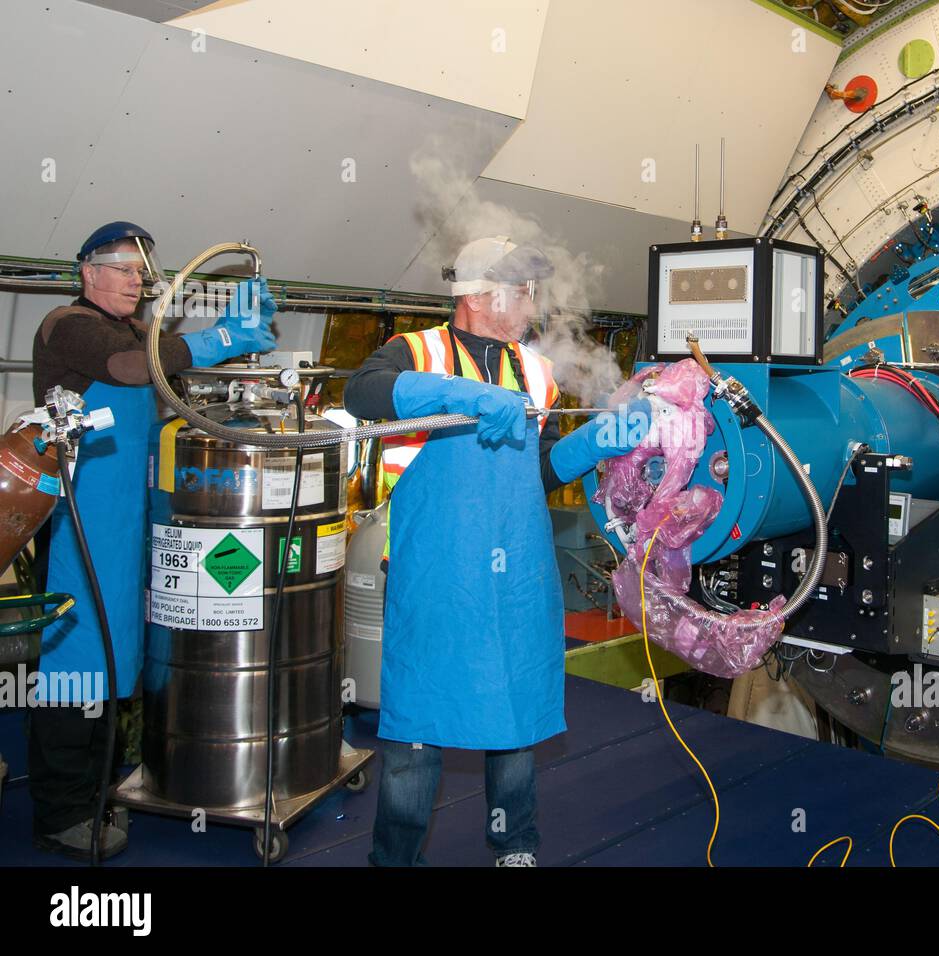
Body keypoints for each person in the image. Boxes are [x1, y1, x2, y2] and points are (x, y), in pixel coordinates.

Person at [344, 235, 647, 866]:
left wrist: (595, 441)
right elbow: (362, 393)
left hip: (515, 570)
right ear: (481, 295)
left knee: (513, 710)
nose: (534, 304)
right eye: (524, 290)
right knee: (417, 726)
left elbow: (536, 470)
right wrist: (462, 395)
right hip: (434, 571)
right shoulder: (415, 350)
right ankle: (394, 858)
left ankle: (515, 842)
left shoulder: (535, 371)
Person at [28, 221, 277, 860]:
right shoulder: (68, 325)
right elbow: (132, 368)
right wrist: (222, 336)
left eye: (141, 272)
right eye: (121, 268)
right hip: (79, 528)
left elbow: (166, 359)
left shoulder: (137, 331)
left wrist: (227, 337)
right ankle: (59, 814)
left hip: (127, 526)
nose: (135, 281)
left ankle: (99, 792)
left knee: (115, 668)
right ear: (88, 271)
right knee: (75, 672)